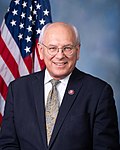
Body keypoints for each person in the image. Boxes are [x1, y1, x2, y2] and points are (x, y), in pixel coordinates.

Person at [0, 22, 119, 150]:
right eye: (52, 48)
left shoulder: (99, 92)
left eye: (67, 48)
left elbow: (105, 148)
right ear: (41, 50)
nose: (60, 55)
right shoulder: (17, 89)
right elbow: (8, 144)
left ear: (77, 51)